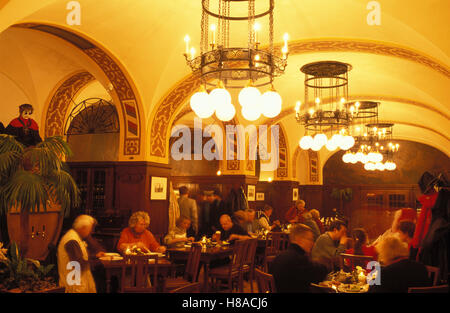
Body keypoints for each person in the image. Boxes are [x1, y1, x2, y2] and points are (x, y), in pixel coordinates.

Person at [271, 224, 328, 293]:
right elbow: (318, 275)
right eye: (310, 239)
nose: (313, 243)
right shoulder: (298, 259)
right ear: (299, 239)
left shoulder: (279, 256)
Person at [57, 215, 104, 293]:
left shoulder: (75, 236)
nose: (91, 232)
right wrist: (99, 261)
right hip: (74, 284)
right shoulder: (72, 240)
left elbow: (79, 256)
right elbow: (79, 264)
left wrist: (95, 256)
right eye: (90, 229)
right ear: (83, 228)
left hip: (76, 281)